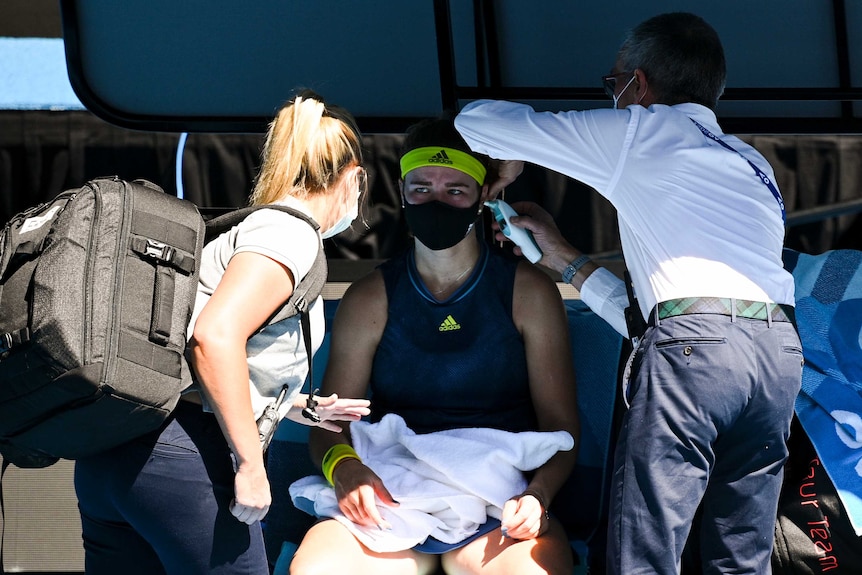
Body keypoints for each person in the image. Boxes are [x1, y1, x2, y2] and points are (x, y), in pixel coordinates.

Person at [453, 11, 804, 575]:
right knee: (741, 556)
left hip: (694, 354)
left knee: (644, 549)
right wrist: (564, 258)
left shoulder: (638, 129)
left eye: (611, 84)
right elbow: (670, 320)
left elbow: (473, 121)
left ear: (637, 85)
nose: (612, 95)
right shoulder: (752, 163)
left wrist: (519, 155)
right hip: (777, 354)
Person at [74, 90, 372, 575]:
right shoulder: (289, 235)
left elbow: (209, 356)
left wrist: (297, 405)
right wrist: (252, 466)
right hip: (183, 457)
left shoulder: (247, 230)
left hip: (117, 456)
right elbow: (213, 338)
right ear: (352, 176)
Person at [287, 114, 579, 575]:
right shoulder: (370, 297)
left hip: (496, 502)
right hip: (391, 495)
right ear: (402, 191)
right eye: (421, 187)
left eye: (455, 190)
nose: (436, 200)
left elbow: (562, 430)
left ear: (484, 196)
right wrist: (344, 468)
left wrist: (536, 497)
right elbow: (328, 424)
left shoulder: (528, 292)